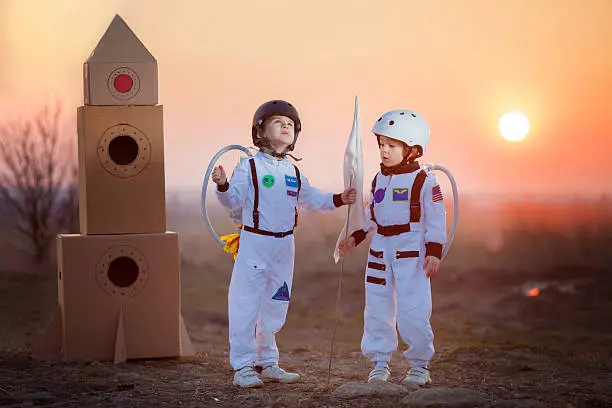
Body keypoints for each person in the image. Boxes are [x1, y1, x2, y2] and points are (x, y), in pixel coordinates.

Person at [212, 99, 356, 388]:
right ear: (260, 131)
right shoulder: (249, 166)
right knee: (246, 305)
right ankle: (243, 366)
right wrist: (223, 185)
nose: (286, 125)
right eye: (278, 121)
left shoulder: (294, 172)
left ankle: (268, 361)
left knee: (276, 303)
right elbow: (233, 200)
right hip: (255, 243)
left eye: (290, 123)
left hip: (284, 246)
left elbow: (312, 198)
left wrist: (340, 199)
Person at [338, 109, 446, 386]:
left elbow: (436, 219)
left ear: (412, 148)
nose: (384, 151)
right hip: (380, 251)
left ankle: (419, 366)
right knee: (376, 309)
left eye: (392, 145)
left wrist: (434, 252)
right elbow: (371, 215)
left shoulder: (425, 182)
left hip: (412, 253)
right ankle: (379, 362)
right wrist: (355, 237)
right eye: (381, 144)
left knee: (414, 310)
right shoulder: (379, 180)